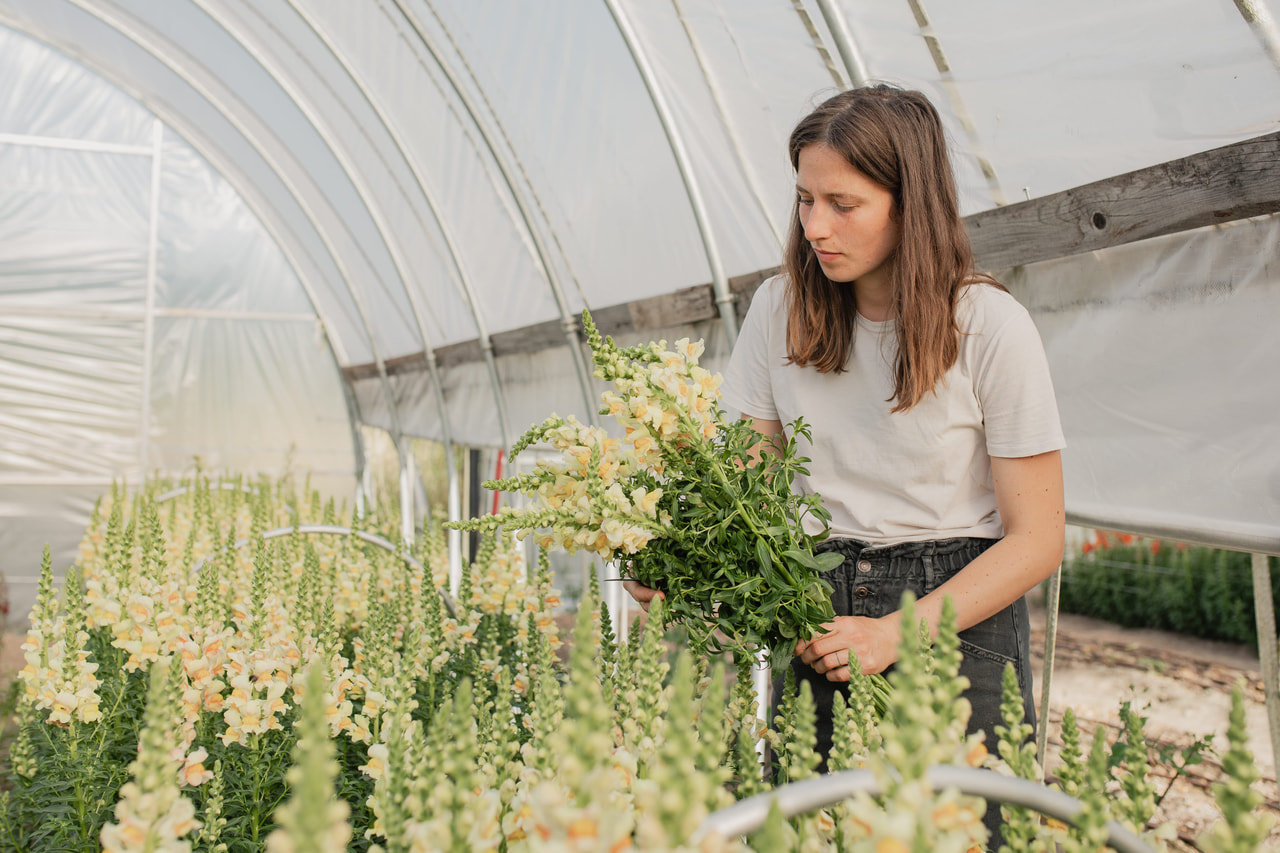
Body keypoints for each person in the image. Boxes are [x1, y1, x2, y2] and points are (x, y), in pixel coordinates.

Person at [624, 84, 1066, 834]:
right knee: (817, 830)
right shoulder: (780, 309)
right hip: (818, 601)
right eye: (804, 201)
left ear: (909, 202)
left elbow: (1038, 537)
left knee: (964, 832)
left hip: (957, 610)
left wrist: (900, 632)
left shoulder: (989, 324)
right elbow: (750, 481)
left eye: (843, 203)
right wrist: (676, 559)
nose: (816, 226)